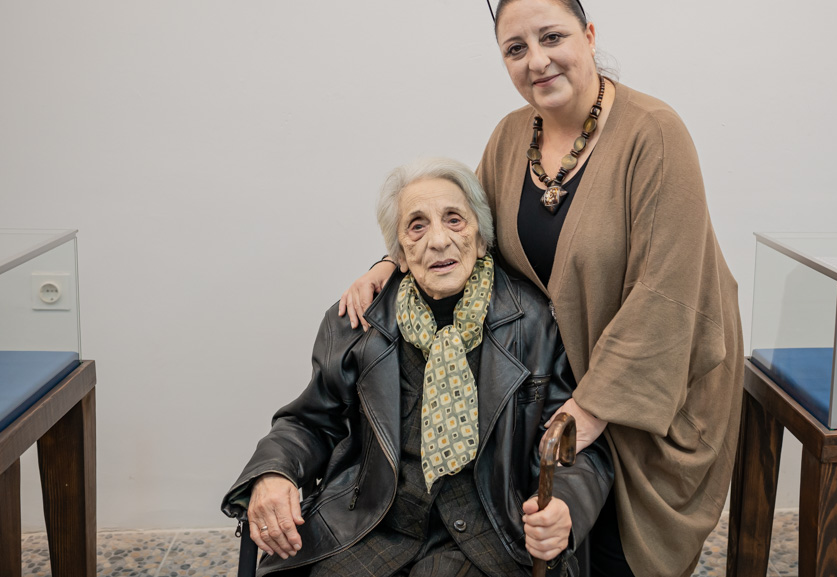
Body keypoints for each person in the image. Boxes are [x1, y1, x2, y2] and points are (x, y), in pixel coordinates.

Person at [339, 0, 744, 577]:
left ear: (589, 35)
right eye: (516, 48)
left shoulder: (655, 133)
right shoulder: (511, 136)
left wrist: (592, 408)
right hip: (557, 386)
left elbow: (667, 293)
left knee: (616, 561)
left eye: (552, 37)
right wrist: (387, 264)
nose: (537, 60)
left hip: (653, 394)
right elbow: (469, 230)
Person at [222, 158, 613, 577]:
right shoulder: (358, 322)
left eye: (454, 220)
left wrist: (566, 507)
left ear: (481, 239)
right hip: (371, 525)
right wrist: (273, 472)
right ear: (400, 255)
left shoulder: (535, 323)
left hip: (491, 533)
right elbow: (310, 422)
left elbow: (576, 446)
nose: (439, 241)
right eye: (417, 226)